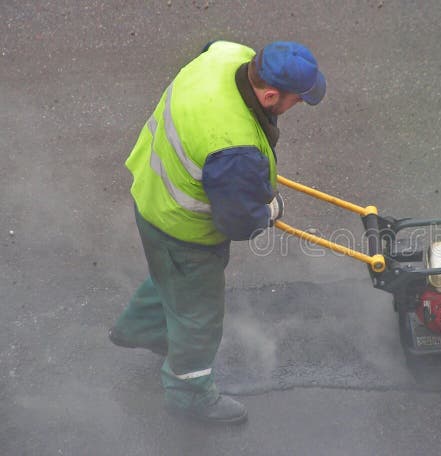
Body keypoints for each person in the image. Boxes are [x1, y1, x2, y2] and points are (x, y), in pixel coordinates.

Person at [108, 40, 325, 424]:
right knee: (198, 315)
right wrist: (270, 210)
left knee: (170, 277)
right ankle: (189, 394)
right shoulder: (234, 147)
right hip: (184, 229)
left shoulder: (227, 54)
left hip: (152, 194)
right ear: (271, 94)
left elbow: (209, 48)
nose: (298, 108)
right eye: (297, 100)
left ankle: (141, 328)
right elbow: (238, 221)